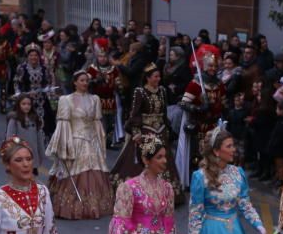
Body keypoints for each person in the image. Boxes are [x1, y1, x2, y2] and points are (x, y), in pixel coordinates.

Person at [45, 69, 114, 219]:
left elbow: (97, 123)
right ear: (75, 82)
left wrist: (100, 142)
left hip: (92, 141)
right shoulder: (66, 100)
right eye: (81, 80)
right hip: (75, 140)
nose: (84, 83)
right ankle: (72, 206)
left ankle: (95, 206)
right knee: (75, 170)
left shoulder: (95, 99)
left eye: (86, 81)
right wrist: (64, 145)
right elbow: (63, 124)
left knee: (95, 169)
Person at [116, 61, 184, 204]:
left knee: (164, 160)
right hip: (146, 131)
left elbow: (164, 113)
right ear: (147, 78)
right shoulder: (140, 92)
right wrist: (136, 132)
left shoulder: (162, 91)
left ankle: (163, 193)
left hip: (160, 131)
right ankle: (140, 193)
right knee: (144, 160)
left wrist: (168, 129)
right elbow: (134, 114)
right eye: (155, 76)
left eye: (159, 76)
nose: (158, 79)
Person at [178, 48, 224, 188]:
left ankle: (210, 180)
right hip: (199, 126)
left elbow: (223, 102)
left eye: (215, 66)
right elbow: (183, 103)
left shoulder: (220, 84)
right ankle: (196, 184)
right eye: (210, 65)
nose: (213, 68)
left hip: (214, 125)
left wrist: (219, 108)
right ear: (203, 66)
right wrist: (198, 108)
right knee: (197, 156)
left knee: (213, 156)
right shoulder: (195, 84)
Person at [86, 39, 125, 150]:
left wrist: (119, 87)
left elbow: (118, 82)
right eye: (100, 56)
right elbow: (86, 81)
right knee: (99, 122)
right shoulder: (93, 69)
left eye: (104, 56)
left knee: (110, 122)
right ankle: (98, 141)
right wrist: (93, 81)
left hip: (110, 100)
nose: (102, 59)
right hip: (97, 100)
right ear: (97, 57)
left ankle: (108, 142)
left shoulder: (113, 69)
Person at [5, 94, 46, 168]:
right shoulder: (14, 119)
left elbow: (39, 139)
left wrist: (41, 154)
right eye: (23, 104)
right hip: (19, 154)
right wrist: (21, 143)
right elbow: (10, 138)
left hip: (33, 155)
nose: (26, 106)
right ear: (18, 105)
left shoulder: (34, 119)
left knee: (32, 176)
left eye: (29, 104)